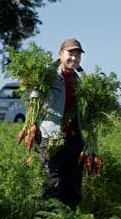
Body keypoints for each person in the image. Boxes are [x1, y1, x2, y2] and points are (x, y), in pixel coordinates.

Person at [36, 38, 86, 210]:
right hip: (52, 139)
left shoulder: (80, 81)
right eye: (70, 53)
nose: (74, 58)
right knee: (52, 186)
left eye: (78, 55)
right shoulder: (48, 76)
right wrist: (31, 128)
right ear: (60, 54)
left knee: (73, 189)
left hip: (74, 141)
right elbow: (33, 101)